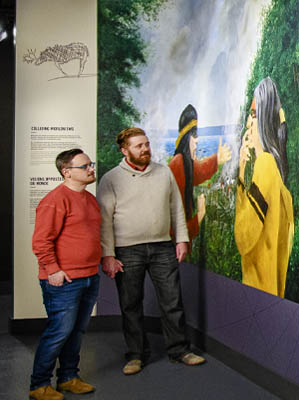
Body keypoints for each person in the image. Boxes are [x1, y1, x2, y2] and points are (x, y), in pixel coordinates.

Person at [99, 127, 205, 376]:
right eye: (139, 146)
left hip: (162, 248)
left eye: (146, 144)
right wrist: (108, 255)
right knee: (131, 304)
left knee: (172, 302)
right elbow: (104, 220)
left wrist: (181, 239)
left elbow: (177, 208)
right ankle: (136, 355)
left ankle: (179, 351)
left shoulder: (163, 172)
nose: (145, 149)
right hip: (126, 251)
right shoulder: (111, 179)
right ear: (125, 151)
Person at [28, 149, 102, 400]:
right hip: (64, 281)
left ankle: (68, 377)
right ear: (66, 171)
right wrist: (53, 270)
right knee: (59, 332)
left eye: (90, 164)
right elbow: (41, 241)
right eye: (85, 166)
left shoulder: (90, 200)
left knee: (76, 331)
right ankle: (39, 385)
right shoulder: (54, 200)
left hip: (90, 276)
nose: (91, 168)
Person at [236, 77, 295, 297]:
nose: (248, 124)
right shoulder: (276, 174)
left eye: (253, 115)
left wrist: (241, 172)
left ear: (263, 121)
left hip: (257, 292)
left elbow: (243, 238)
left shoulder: (264, 166)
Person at [169, 104, 232, 242]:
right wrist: (200, 215)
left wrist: (217, 159)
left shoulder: (182, 163)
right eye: (194, 134)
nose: (197, 140)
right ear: (186, 138)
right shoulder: (177, 165)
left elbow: (198, 171)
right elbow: (174, 232)